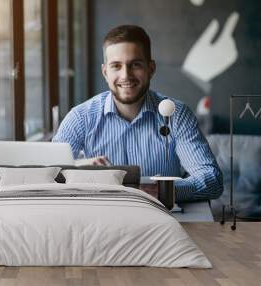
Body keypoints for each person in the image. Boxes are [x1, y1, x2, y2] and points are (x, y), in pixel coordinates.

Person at [52, 25, 223, 202]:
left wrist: (156, 192)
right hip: (100, 219)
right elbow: (46, 175)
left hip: (161, 220)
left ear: (151, 68)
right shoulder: (80, 117)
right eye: (116, 66)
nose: (126, 75)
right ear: (105, 72)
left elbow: (212, 180)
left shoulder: (177, 115)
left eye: (135, 65)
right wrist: (78, 167)